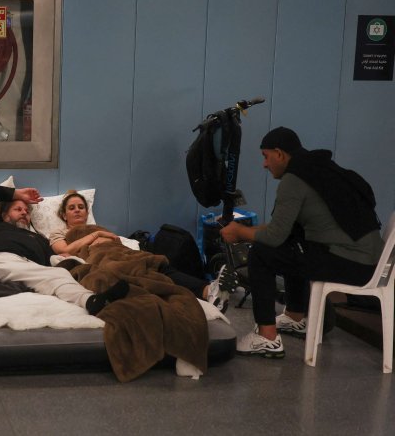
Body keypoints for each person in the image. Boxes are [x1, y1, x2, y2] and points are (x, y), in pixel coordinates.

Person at [221, 127, 382, 358]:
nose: (264, 165)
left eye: (266, 157)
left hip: (353, 264)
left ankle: (266, 337)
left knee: (261, 253)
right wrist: (245, 230)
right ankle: (295, 317)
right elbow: (283, 229)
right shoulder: (319, 168)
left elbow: (274, 236)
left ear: (279, 154)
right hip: (370, 262)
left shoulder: (294, 179)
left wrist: (240, 232)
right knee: (294, 245)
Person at [0, 184, 130, 335]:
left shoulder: (38, 238)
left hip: (24, 264)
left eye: (27, 211)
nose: (24, 213)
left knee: (58, 275)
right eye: (18, 209)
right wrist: (18, 194)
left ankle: (92, 301)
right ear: (4, 215)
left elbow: (54, 259)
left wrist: (65, 259)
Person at [50, 190, 234, 311]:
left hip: (120, 252)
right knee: (131, 271)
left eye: (81, 207)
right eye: (72, 208)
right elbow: (63, 250)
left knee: (154, 264)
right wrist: (96, 235)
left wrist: (105, 236)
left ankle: (208, 290)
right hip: (101, 257)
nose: (77, 210)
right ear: (64, 215)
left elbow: (117, 242)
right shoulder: (60, 232)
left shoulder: (99, 227)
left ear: (86, 212)